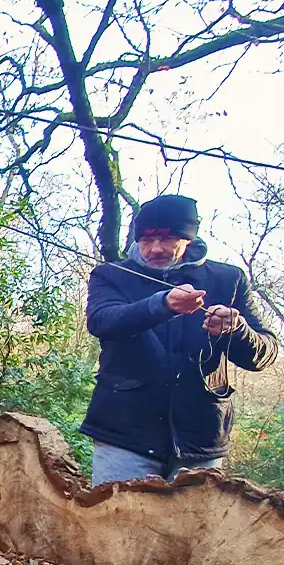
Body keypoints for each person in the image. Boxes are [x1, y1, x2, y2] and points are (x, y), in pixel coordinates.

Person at [80, 194, 277, 486]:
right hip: (123, 433)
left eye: (167, 238)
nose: (155, 249)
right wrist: (162, 305)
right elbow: (103, 321)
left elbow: (265, 353)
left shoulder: (228, 279)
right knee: (116, 525)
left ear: (188, 238)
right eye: (146, 240)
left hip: (201, 438)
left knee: (192, 531)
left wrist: (238, 330)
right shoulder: (112, 275)